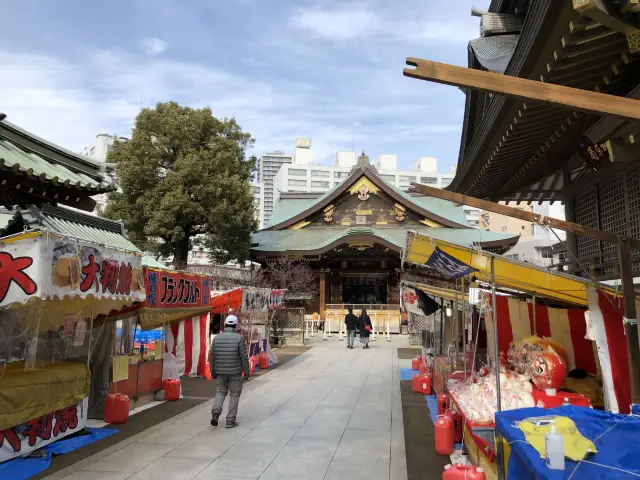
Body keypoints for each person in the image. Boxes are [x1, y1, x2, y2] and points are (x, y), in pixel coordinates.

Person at [209, 315, 249, 428]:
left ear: (225, 324)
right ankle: (230, 420)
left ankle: (216, 412)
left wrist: (213, 372)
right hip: (235, 372)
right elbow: (244, 357)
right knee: (234, 395)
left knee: (220, 392)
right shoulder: (239, 338)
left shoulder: (217, 338)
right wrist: (246, 372)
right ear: (236, 326)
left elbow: (212, 357)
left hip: (220, 372)